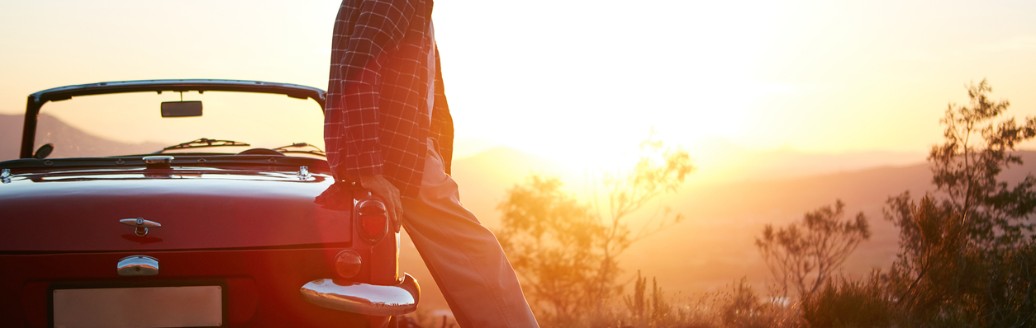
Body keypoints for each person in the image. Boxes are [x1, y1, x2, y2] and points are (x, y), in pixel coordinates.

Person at [323, 1, 539, 327]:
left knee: (457, 264)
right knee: (480, 258)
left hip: (389, 157)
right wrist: (370, 169)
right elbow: (359, 65)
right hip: (398, 157)